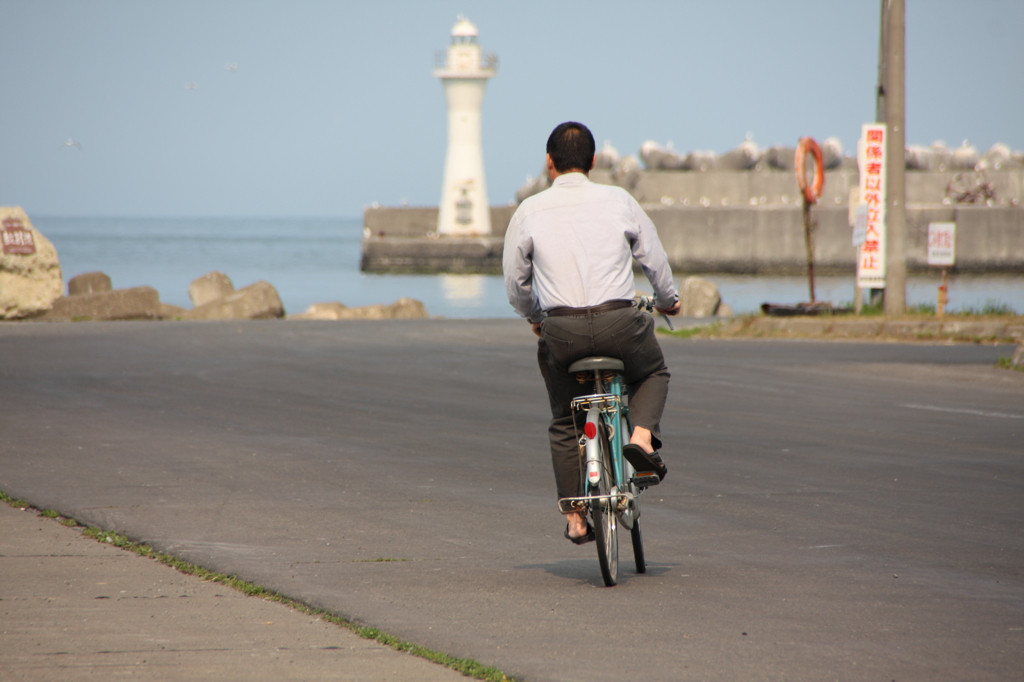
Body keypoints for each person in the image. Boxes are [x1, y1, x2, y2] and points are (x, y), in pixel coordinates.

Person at [503, 121, 680, 545]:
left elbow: (514, 281)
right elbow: (653, 258)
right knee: (654, 371)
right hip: (620, 323)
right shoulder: (619, 200)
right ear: (593, 162)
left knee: (566, 419)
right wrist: (668, 299)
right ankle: (640, 438)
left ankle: (576, 517)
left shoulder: (529, 210)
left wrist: (534, 315)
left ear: (549, 164)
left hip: (561, 331)